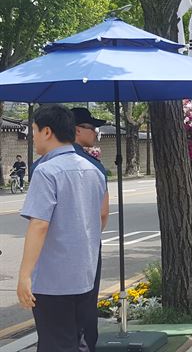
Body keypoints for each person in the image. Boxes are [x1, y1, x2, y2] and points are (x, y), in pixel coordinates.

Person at [16, 104, 108, 352]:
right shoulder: (94, 170)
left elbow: (39, 225)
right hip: (85, 275)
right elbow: (102, 215)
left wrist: (25, 275)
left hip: (52, 280)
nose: (32, 136)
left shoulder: (46, 171)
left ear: (47, 131)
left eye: (33, 130)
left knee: (54, 343)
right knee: (78, 342)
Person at [71, 107, 109, 352]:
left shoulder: (42, 165)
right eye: (91, 127)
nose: (95, 132)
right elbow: (102, 213)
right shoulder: (93, 166)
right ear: (76, 130)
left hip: (52, 253)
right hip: (86, 247)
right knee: (85, 304)